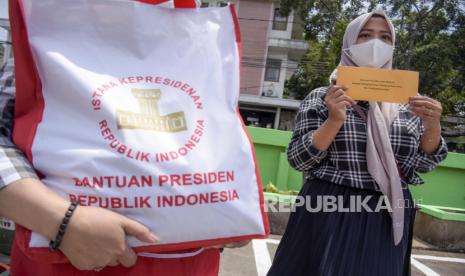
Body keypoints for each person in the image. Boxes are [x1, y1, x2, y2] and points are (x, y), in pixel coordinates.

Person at [0, 3, 249, 276]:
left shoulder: (198, 46)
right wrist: (62, 221)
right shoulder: (49, 38)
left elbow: (213, 143)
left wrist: (228, 213)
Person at [267, 10, 447, 276]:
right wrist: (333, 120)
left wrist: (433, 125)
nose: (376, 44)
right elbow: (299, 159)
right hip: (328, 209)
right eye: (365, 35)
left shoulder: (410, 104)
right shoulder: (322, 98)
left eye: (385, 38)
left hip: (386, 216)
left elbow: (424, 163)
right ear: (349, 42)